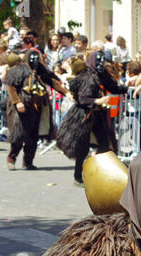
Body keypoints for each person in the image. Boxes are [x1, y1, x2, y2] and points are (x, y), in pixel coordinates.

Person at [56, 56, 118, 186]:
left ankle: (98, 172)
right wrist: (98, 101)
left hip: (97, 115)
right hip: (83, 115)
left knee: (104, 144)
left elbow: (112, 86)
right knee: (82, 148)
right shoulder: (87, 78)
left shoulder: (97, 75)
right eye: (99, 62)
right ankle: (77, 177)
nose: (102, 64)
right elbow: (83, 99)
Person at [4, 51, 68, 171]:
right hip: (21, 108)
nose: (34, 61)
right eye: (32, 59)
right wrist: (17, 102)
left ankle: (28, 162)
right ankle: (11, 159)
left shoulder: (41, 70)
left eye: (36, 59)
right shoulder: (19, 70)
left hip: (37, 107)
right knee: (18, 135)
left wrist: (66, 93)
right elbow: (11, 87)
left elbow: (52, 82)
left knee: (33, 136)